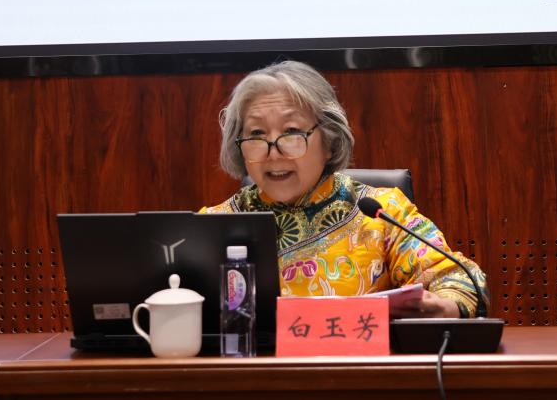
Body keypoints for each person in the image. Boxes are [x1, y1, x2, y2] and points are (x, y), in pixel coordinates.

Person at [201, 60, 488, 318]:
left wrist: (445, 306)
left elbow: (461, 280)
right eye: (256, 133)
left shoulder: (381, 213)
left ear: (330, 141)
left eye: (291, 132)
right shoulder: (212, 225)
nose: (273, 152)